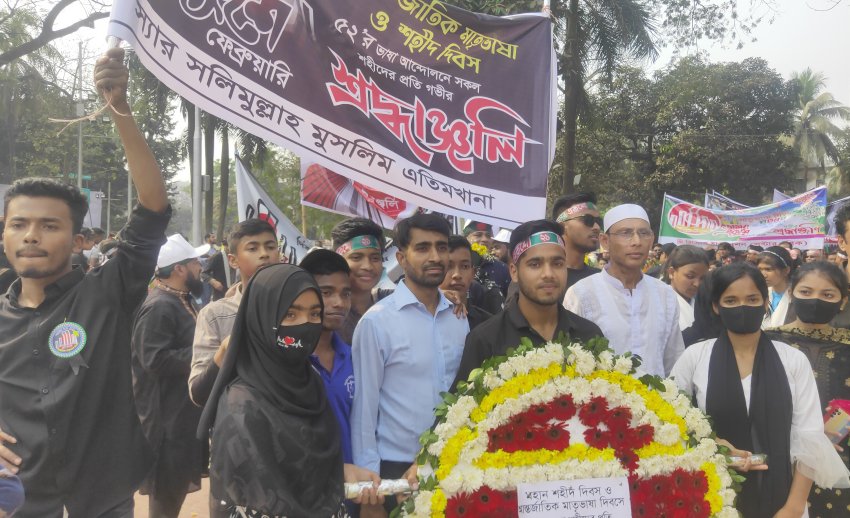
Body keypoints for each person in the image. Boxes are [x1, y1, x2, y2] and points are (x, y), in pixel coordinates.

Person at [0, 47, 170, 517]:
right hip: (21, 500)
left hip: (104, 497)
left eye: (49, 226)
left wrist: (120, 109)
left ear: (77, 240)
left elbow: (153, 207)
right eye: (20, 224)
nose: (32, 235)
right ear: (4, 232)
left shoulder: (107, 291)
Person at [198, 264, 381, 518]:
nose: (305, 325)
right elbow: (256, 499)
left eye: (314, 313)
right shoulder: (242, 403)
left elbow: (306, 463)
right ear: (262, 318)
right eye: (290, 315)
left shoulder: (310, 382)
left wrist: (341, 472)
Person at [671, 263, 850, 517]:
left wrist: (793, 507)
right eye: (731, 300)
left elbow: (809, 437)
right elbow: (673, 421)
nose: (743, 306)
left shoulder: (792, 360)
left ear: (766, 302)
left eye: (752, 299)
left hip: (783, 498)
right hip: (711, 495)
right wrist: (715, 443)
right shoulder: (696, 357)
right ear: (716, 306)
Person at [352, 213, 468, 517]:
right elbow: (365, 407)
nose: (435, 257)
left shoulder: (458, 316)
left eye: (441, 247)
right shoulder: (377, 322)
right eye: (423, 248)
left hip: (454, 464)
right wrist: (370, 485)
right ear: (402, 258)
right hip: (396, 471)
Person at [453, 220, 603, 389]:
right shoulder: (486, 340)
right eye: (535, 264)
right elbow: (462, 410)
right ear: (514, 272)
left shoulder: (589, 334)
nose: (548, 274)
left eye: (557, 264)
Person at [764, 261, 850, 516]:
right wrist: (805, 437)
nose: (815, 300)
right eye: (806, 292)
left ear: (842, 301)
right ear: (792, 294)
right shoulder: (768, 341)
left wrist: (828, 435)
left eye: (827, 295)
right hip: (779, 452)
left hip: (840, 453)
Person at [131, 234, 206, 517]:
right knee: (166, 496)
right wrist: (206, 356)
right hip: (166, 420)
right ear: (179, 268)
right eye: (195, 262)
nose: (200, 267)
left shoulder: (180, 298)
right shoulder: (160, 306)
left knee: (173, 493)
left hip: (181, 415)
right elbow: (154, 359)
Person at [564, 204, 684, 376]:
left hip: (657, 400)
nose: (636, 241)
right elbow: (570, 361)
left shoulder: (665, 295)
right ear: (605, 241)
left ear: (651, 239)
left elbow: (674, 361)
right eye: (626, 233)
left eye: (644, 233)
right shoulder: (581, 293)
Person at [189, 219, 280, 406]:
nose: (264, 254)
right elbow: (198, 393)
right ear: (233, 260)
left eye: (270, 247)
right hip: (237, 428)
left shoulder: (297, 307)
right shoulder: (215, 315)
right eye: (253, 248)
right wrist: (227, 350)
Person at [332, 218, 386, 345]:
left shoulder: (390, 303)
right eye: (356, 257)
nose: (367, 266)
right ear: (338, 260)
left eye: (375, 258)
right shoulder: (327, 314)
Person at [440, 235, 492, 330]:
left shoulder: (488, 325)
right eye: (448, 266)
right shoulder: (421, 317)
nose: (457, 275)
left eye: (464, 266)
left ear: (473, 273)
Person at [551, 192, 602, 289]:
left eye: (598, 221)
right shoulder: (545, 278)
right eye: (588, 220)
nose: (597, 227)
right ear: (562, 226)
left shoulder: (600, 280)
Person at [662, 245, 709, 332]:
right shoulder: (658, 303)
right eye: (690, 276)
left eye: (702, 278)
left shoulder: (703, 303)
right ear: (672, 272)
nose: (697, 284)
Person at [464, 220, 510, 297]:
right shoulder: (456, 266)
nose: (485, 239)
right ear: (466, 238)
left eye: (488, 236)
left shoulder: (503, 269)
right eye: (478, 235)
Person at [757, 246, 795, 328]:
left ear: (786, 270)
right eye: (760, 269)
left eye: (768, 269)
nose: (763, 275)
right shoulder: (760, 293)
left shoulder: (796, 296)